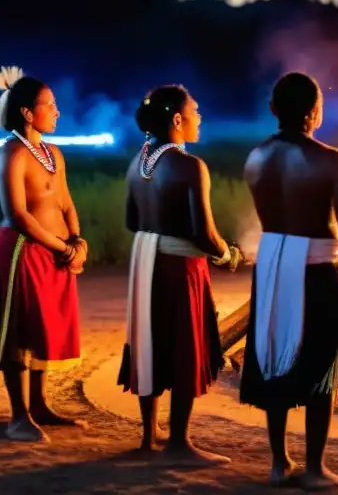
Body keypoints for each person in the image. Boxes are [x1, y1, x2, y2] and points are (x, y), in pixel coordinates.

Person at [239, 72, 338, 490]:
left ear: (273, 110)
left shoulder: (256, 157)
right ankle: (315, 468)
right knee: (323, 363)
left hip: (273, 268)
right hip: (318, 270)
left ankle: (279, 462)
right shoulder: (328, 158)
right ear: (315, 112)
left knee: (276, 354)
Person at [117, 84, 239, 465]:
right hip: (181, 268)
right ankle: (179, 444)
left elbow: (131, 220)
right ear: (176, 120)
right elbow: (203, 233)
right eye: (195, 111)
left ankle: (148, 436)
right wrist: (228, 254)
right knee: (185, 346)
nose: (199, 118)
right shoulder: (190, 166)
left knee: (149, 340)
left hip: (146, 265)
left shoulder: (137, 164)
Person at [0, 66, 89, 442]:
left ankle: (38, 405)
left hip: (54, 254)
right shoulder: (12, 155)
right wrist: (63, 248)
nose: (57, 111)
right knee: (18, 332)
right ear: (27, 112)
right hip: (22, 253)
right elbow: (18, 215)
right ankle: (18, 416)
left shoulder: (54, 153)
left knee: (43, 328)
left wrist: (78, 242)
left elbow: (66, 202)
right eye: (50, 105)